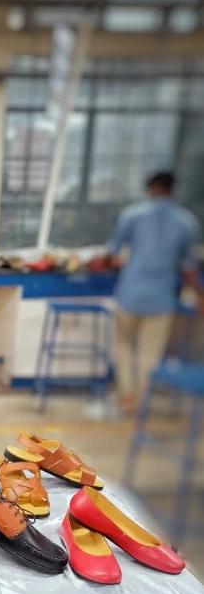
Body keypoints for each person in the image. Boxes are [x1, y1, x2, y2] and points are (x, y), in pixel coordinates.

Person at [108, 171, 203, 414]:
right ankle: (141, 402)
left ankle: (126, 396)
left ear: (150, 188)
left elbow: (113, 254)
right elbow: (189, 268)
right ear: (172, 189)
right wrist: (200, 297)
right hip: (161, 298)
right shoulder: (186, 221)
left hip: (130, 293)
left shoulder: (132, 215)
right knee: (150, 353)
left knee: (123, 344)